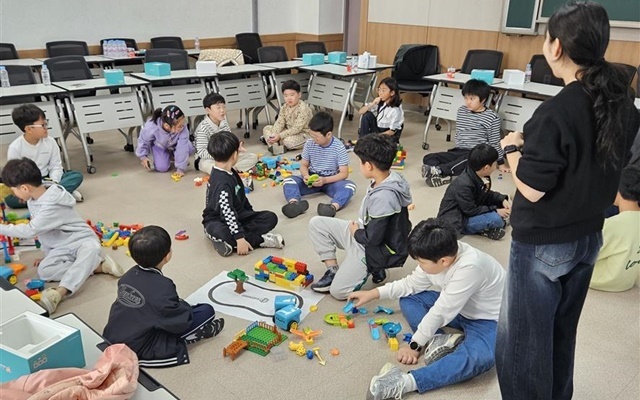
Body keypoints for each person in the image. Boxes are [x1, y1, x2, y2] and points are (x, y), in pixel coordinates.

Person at [495, 3, 640, 399]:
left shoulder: (556, 111)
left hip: (544, 243)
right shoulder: (621, 99)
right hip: (589, 236)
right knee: (561, 333)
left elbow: (532, 188)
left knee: (522, 343)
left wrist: (512, 147)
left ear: (556, 47)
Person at [348, 218, 505, 400]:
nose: (419, 267)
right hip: (460, 308)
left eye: (422, 262)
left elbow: (441, 311)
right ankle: (438, 339)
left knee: (479, 357)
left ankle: (406, 382)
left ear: (444, 261)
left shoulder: (471, 267)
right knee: (409, 297)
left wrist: (415, 345)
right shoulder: (441, 251)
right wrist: (373, 293)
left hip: (490, 319)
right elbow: (410, 284)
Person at [0, 158, 124, 314]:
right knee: (45, 271)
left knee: (90, 250)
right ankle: (98, 267)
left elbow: (30, 230)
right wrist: (47, 253)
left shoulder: (52, 203)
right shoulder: (34, 198)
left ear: (24, 188)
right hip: (60, 246)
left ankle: (60, 292)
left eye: (14, 189)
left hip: (82, 240)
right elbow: (44, 232)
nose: (13, 193)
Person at [103, 226, 224, 368]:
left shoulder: (127, 276)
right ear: (167, 256)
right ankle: (194, 335)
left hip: (113, 335)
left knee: (182, 309)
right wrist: (183, 307)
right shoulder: (163, 286)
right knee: (207, 311)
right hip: (139, 346)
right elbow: (179, 321)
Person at [308, 134, 412, 298]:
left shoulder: (384, 197)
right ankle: (333, 271)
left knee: (338, 292)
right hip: (364, 232)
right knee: (317, 223)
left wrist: (356, 232)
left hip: (372, 247)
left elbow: (373, 238)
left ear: (369, 166)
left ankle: (374, 266)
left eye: (360, 162)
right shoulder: (388, 178)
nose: (359, 165)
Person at [202, 131, 284, 257]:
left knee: (270, 217)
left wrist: (250, 213)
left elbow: (242, 197)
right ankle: (259, 240)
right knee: (221, 232)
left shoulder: (231, 171)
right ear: (235, 155)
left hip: (238, 215)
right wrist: (239, 238)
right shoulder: (221, 182)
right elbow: (227, 211)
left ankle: (233, 241)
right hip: (217, 219)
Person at [422, 79, 507, 187]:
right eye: (466, 98)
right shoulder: (462, 111)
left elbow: (495, 142)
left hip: (477, 154)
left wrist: (501, 163)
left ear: (483, 100)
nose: (468, 102)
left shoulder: (492, 117)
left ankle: (439, 171)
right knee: (429, 158)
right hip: (459, 150)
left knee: (468, 160)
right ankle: (445, 174)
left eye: (472, 99)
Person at [4, 104, 83, 208]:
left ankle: (45, 197)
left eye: (46, 123)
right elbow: (15, 175)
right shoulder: (15, 147)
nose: (46, 128)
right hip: (29, 183)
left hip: (49, 179)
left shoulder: (51, 142)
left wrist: (54, 182)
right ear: (29, 129)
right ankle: (59, 195)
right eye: (43, 125)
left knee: (76, 176)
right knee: (10, 200)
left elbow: (56, 166)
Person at [281, 112, 356, 219]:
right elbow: (303, 165)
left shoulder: (339, 147)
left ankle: (333, 207)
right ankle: (294, 203)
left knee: (350, 186)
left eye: (316, 137)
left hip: (331, 181)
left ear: (328, 134)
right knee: (289, 180)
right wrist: (306, 176)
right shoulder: (309, 144)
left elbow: (344, 174)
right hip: (312, 179)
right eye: (312, 136)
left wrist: (325, 180)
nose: (313, 140)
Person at [437, 143, 511, 240]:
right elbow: (471, 211)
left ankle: (487, 227)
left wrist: (501, 199)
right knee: (496, 219)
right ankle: (484, 228)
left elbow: (486, 194)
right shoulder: (463, 185)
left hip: (469, 208)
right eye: (495, 163)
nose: (496, 165)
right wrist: (495, 210)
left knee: (503, 204)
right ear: (486, 168)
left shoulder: (480, 174)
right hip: (458, 220)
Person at [590, 165, 640, 292]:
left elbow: (590, 253)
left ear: (618, 191)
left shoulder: (613, 224)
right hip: (627, 281)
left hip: (601, 280)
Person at [193, 92, 257, 174]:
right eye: (218, 108)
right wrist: (220, 156)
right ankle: (230, 169)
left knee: (253, 157)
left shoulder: (224, 123)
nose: (222, 110)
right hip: (208, 159)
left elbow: (229, 141)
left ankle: (229, 169)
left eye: (224, 107)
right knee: (209, 166)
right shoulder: (202, 128)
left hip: (225, 156)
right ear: (208, 110)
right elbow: (202, 152)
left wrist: (236, 148)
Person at [135, 105, 194, 177]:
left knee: (189, 148)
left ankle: (174, 156)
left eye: (183, 124)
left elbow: (182, 146)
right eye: (179, 126)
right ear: (167, 126)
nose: (182, 127)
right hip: (160, 146)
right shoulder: (152, 127)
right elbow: (143, 140)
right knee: (162, 168)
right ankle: (166, 156)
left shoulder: (182, 127)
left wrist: (180, 169)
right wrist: (143, 156)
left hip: (174, 144)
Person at [262, 79, 313, 151]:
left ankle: (276, 144)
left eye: (292, 95)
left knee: (288, 141)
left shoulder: (303, 109)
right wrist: (274, 134)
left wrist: (280, 136)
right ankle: (274, 146)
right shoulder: (284, 107)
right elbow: (280, 122)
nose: (289, 98)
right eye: (286, 96)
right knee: (267, 128)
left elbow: (297, 128)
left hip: (303, 134)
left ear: (299, 95)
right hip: (288, 131)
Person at [357, 77, 404, 142]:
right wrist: (372, 103)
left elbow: (392, 132)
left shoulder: (396, 110)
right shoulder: (381, 103)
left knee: (373, 140)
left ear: (392, 93)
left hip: (388, 136)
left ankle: (367, 141)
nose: (380, 93)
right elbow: (361, 112)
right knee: (367, 115)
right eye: (379, 89)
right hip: (378, 130)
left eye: (383, 90)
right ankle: (362, 141)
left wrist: (374, 137)